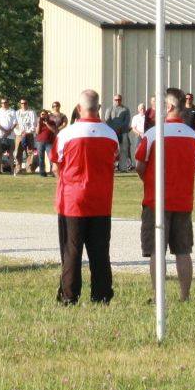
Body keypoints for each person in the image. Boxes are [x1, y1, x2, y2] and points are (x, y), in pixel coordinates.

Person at [136, 86, 195, 303]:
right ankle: (185, 296)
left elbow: (140, 165)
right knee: (183, 250)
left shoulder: (153, 134)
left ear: (169, 106)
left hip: (156, 200)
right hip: (183, 200)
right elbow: (193, 166)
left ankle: (157, 297)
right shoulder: (193, 136)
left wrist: (150, 182)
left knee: (157, 251)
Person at [54, 89, 118, 305]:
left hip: (72, 200)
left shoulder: (66, 134)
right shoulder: (110, 134)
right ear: (98, 108)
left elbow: (56, 165)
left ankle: (69, 295)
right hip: (101, 199)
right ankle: (101, 294)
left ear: (79, 108)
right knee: (100, 251)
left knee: (71, 249)